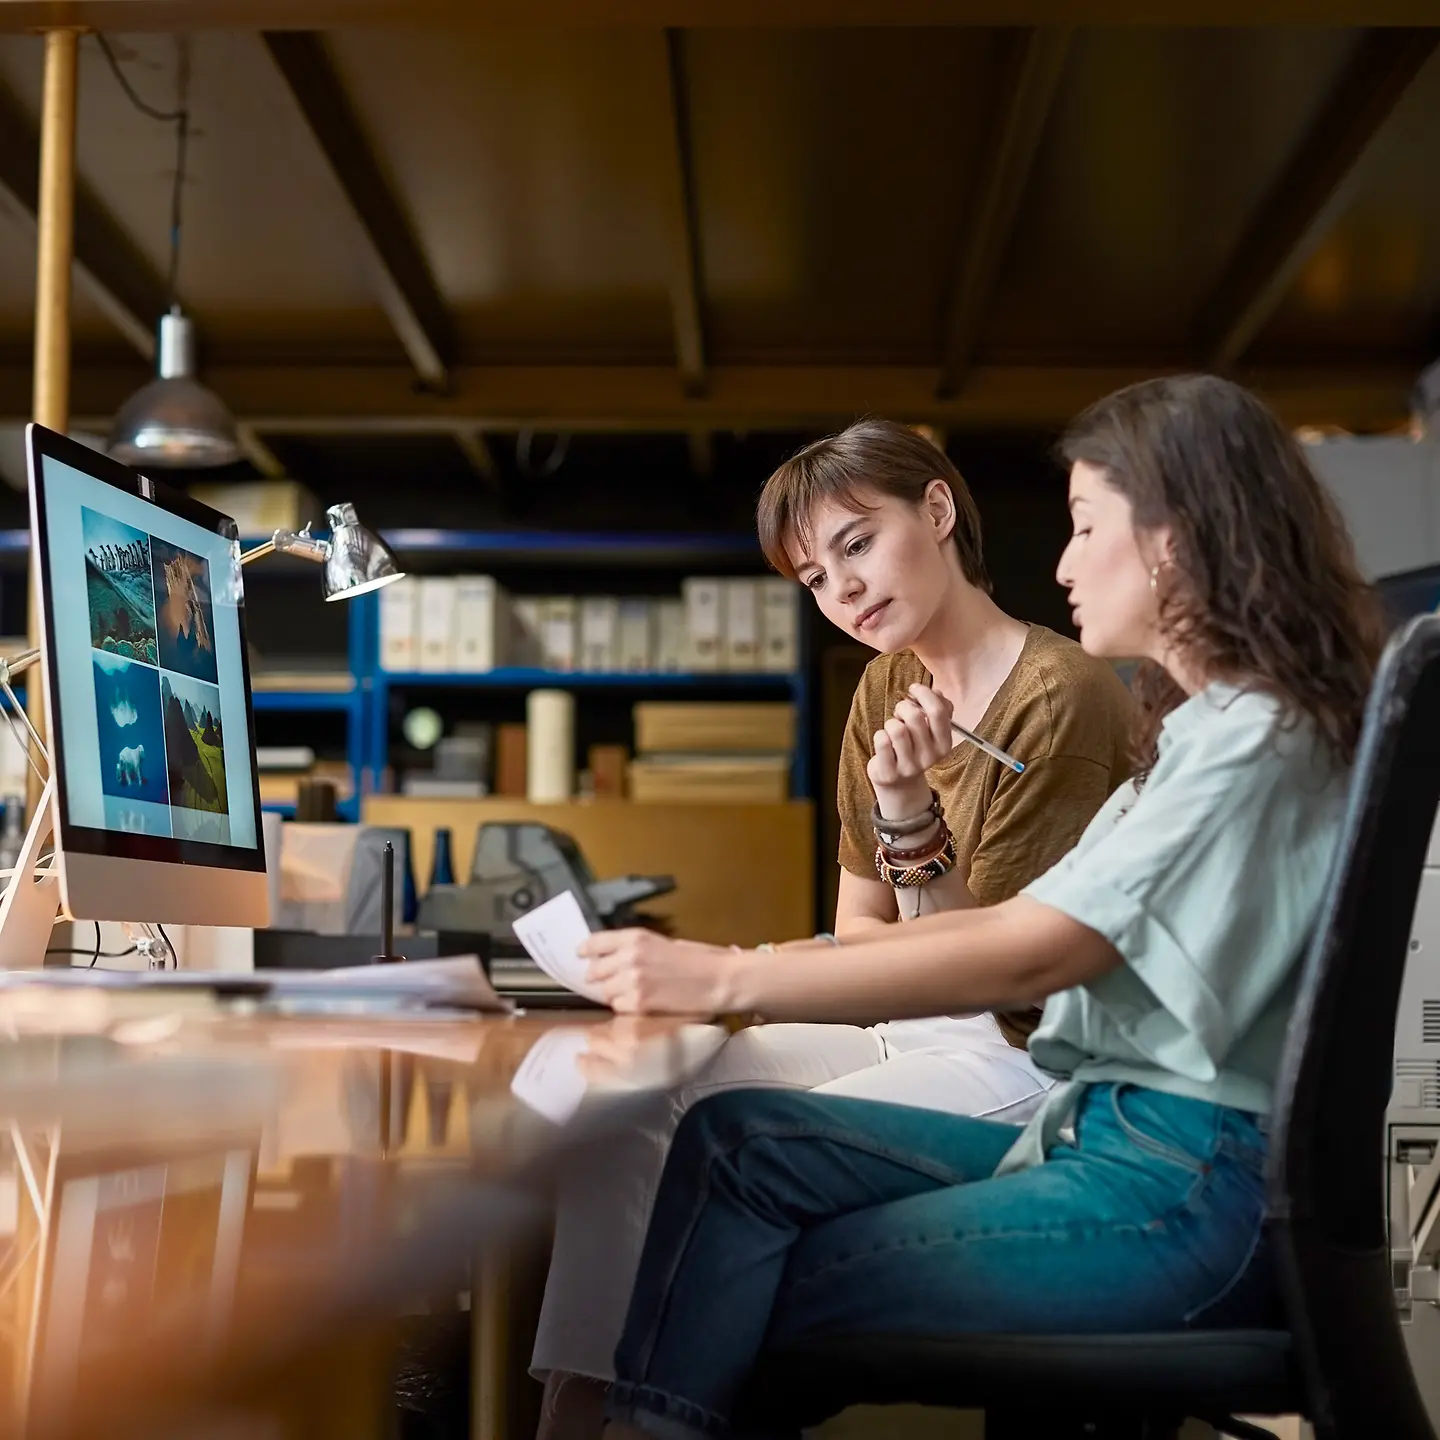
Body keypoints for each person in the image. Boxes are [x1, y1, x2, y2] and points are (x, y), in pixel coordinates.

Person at [581, 375, 1386, 1440]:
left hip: (1183, 1184)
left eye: (1084, 526)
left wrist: (729, 975)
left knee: (747, 1277)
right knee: (736, 1143)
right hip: (1108, 1139)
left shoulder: (1251, 741)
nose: (1060, 564)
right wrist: (904, 821)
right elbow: (990, 927)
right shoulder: (1201, 735)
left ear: (1177, 539)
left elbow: (1026, 955)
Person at [533, 420, 1134, 1435]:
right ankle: (576, 1411)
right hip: (907, 1021)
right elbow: (859, 930)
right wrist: (897, 870)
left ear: (937, 511)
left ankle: (653, 1415)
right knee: (629, 1104)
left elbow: (997, 977)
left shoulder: (1061, 696)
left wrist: (907, 828)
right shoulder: (886, 687)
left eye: (857, 544)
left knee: (721, 1145)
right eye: (815, 576)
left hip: (1029, 1056)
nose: (843, 591)